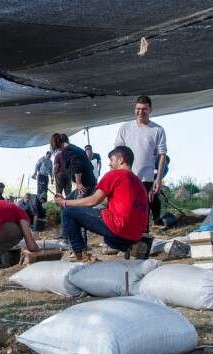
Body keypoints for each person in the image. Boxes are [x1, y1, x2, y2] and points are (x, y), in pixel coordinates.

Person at [54, 146, 149, 261]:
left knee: (68, 212)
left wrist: (64, 202)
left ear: (121, 160)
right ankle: (134, 246)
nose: (109, 164)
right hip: (136, 233)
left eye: (112, 160)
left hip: (119, 226)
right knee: (107, 239)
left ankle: (81, 256)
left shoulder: (115, 174)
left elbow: (93, 201)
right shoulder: (139, 182)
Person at [115, 95, 167, 226]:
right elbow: (117, 153)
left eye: (144, 109)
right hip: (127, 177)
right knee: (127, 210)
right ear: (134, 109)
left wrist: (158, 179)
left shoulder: (157, 130)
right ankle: (127, 240)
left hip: (146, 179)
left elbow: (162, 155)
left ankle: (144, 239)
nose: (141, 112)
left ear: (150, 110)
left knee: (144, 212)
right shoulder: (125, 128)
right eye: (138, 109)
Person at [51, 133, 96, 198]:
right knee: (69, 199)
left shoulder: (67, 150)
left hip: (85, 185)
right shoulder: (75, 148)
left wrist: (79, 183)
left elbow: (77, 165)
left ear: (57, 143)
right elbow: (90, 165)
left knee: (78, 205)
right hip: (90, 182)